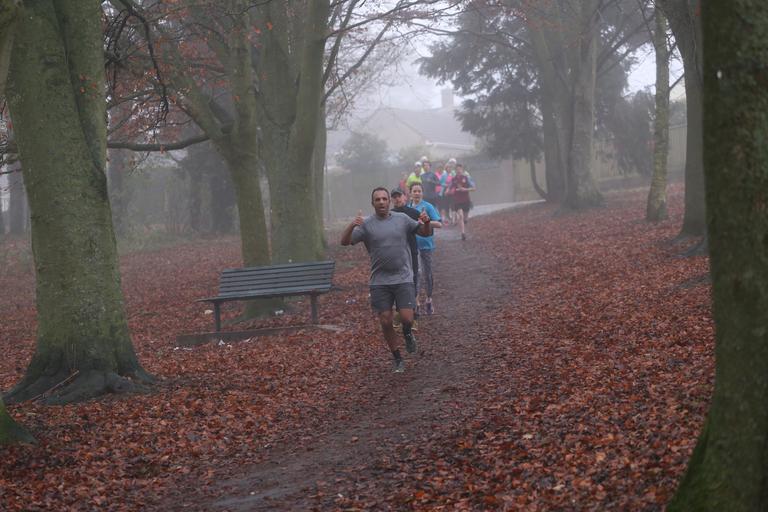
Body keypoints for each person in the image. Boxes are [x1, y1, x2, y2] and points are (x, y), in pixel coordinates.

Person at [341, 187, 432, 373]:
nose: (381, 202)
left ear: (389, 201)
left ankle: (407, 332)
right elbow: (344, 242)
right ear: (372, 203)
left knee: (407, 318)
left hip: (403, 277)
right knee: (385, 321)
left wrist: (427, 222)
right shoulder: (366, 224)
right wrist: (352, 225)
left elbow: (425, 233)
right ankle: (397, 358)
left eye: (384, 199)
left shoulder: (402, 219)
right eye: (378, 199)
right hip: (379, 281)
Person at [407, 182, 442, 315]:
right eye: (414, 191)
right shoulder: (407, 208)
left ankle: (428, 299)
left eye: (419, 191)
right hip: (412, 246)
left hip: (426, 245)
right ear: (410, 193)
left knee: (427, 273)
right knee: (415, 273)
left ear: (422, 193)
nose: (417, 193)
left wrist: (426, 221)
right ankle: (416, 303)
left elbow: (439, 224)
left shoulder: (428, 206)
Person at [450, 164, 475, 240]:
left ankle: (465, 221)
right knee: (461, 216)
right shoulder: (453, 179)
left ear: (462, 170)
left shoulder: (466, 178)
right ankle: (463, 233)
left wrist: (465, 189)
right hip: (457, 201)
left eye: (460, 169)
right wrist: (450, 191)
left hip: (466, 200)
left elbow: (474, 188)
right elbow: (450, 188)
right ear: (455, 170)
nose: (458, 170)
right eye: (457, 169)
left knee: (465, 218)